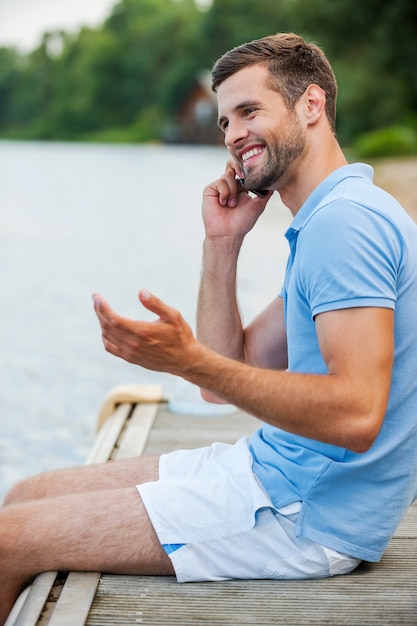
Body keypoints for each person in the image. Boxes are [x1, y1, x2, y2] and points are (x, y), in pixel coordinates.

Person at [1, 32, 417, 624]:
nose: (232, 134)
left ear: (312, 105)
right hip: (275, 471)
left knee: (8, 539)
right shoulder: (333, 216)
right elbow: (224, 380)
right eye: (225, 120)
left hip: (304, 513)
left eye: (250, 111)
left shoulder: (344, 227)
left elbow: (355, 415)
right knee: (23, 497)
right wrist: (222, 245)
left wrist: (186, 358)